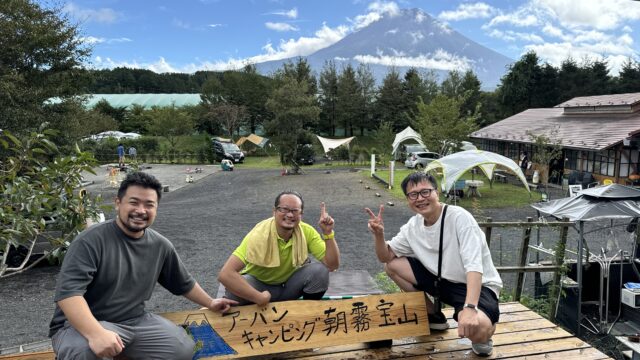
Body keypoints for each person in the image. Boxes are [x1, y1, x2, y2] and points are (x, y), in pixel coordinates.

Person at [49, 172, 237, 359]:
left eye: (149, 205)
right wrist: (96, 333)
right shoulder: (90, 241)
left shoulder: (160, 245)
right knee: (85, 352)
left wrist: (211, 302)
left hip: (134, 321)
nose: (141, 210)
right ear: (118, 203)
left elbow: (183, 283)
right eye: (133, 202)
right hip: (78, 326)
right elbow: (69, 295)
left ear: (156, 209)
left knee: (182, 348)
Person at [365, 172, 502, 357]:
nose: (420, 198)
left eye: (425, 192)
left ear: (437, 192)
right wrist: (379, 235)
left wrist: (470, 308)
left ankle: (485, 334)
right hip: (441, 281)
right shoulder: (413, 226)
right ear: (408, 199)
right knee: (392, 266)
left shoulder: (459, 217)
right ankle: (433, 315)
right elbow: (386, 256)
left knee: (479, 330)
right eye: (413, 194)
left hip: (475, 286)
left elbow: (474, 266)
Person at [219, 191, 340, 306]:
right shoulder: (258, 234)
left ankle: (306, 314)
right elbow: (225, 274)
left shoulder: (306, 231)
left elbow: (331, 265)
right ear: (274, 211)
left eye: (295, 211)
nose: (290, 214)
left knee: (320, 271)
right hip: (260, 287)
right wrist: (259, 297)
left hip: (288, 288)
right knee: (233, 291)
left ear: (301, 214)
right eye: (284, 209)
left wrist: (328, 233)